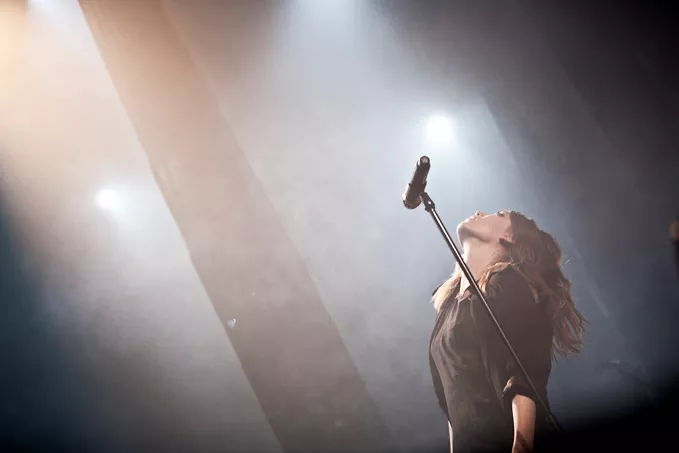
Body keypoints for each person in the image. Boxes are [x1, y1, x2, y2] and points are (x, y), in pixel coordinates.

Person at [429, 210, 585, 453]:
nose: (480, 212)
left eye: (499, 214)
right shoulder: (449, 304)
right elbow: (455, 405)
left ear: (510, 237)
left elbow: (523, 374)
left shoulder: (505, 281)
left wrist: (521, 447)